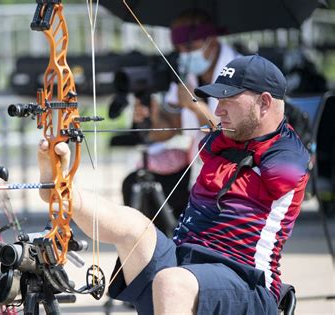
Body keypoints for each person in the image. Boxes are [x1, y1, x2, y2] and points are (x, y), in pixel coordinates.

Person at [38, 55, 309, 314]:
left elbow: (283, 176)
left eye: (229, 99)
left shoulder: (287, 149)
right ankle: (61, 188)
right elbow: (207, 145)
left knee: (172, 282)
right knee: (133, 225)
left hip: (246, 282)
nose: (217, 110)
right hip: (184, 260)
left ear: (264, 103)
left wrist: (230, 141)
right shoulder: (229, 140)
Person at [123, 9, 241, 225]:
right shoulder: (186, 74)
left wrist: (196, 107)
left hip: (234, 170)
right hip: (199, 166)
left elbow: (233, 136)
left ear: (211, 41)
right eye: (179, 49)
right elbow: (169, 130)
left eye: (189, 48)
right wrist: (152, 117)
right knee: (134, 185)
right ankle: (151, 252)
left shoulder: (239, 72)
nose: (184, 54)